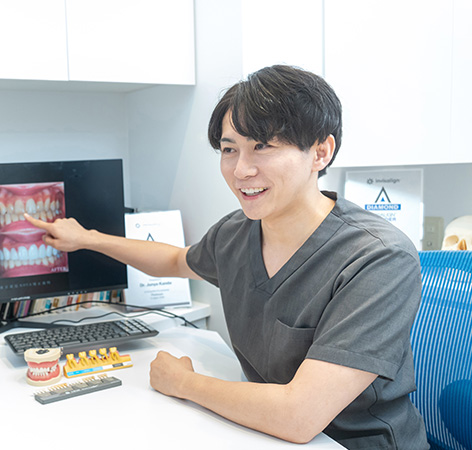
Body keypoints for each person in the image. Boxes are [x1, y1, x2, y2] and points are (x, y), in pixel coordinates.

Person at [25, 65, 429, 449]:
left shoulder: (378, 258)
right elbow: (174, 261)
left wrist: (183, 383)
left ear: (320, 152)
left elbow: (298, 416)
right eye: (229, 149)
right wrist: (88, 239)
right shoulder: (237, 233)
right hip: (260, 434)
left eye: (263, 146)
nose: (241, 170)